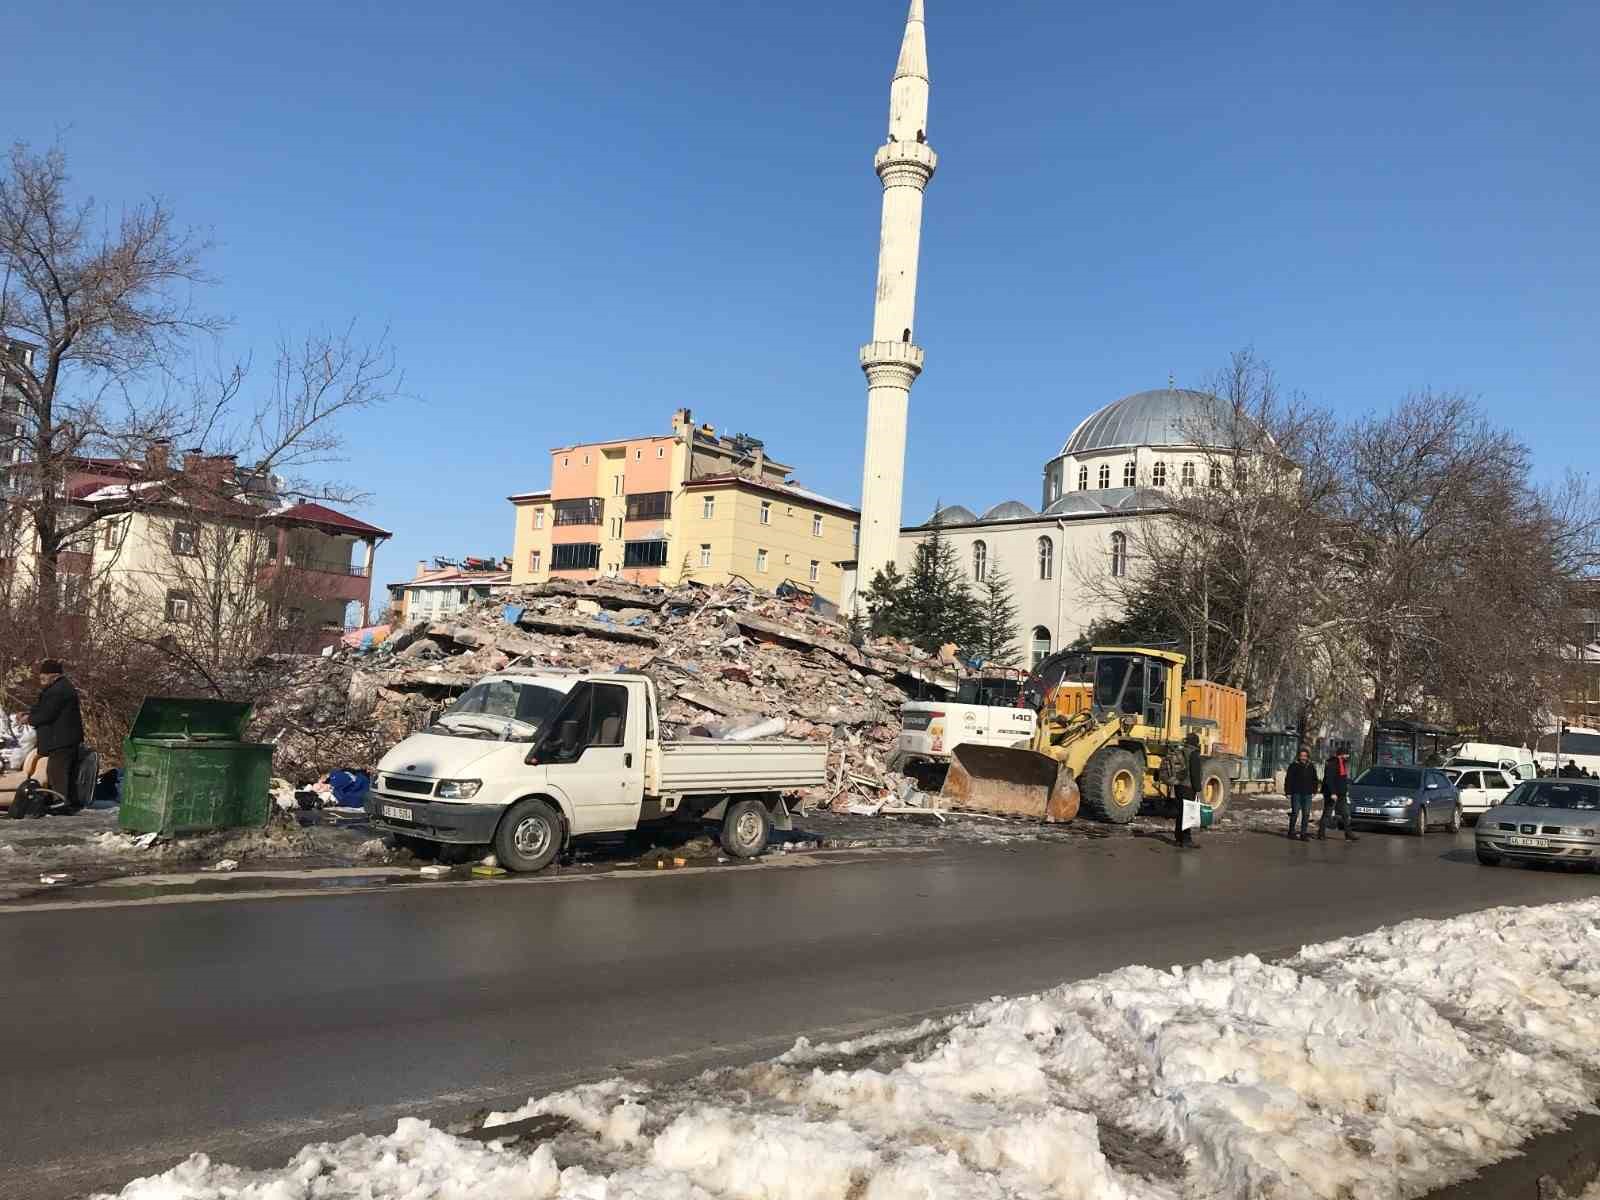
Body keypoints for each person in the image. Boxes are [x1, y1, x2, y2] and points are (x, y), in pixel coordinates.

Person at [20, 659, 84, 816]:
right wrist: (30, 713)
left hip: (62, 739)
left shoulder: (58, 690)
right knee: (59, 770)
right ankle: (65, 801)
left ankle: (61, 803)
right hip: (63, 739)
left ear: (54, 675)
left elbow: (47, 714)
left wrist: (29, 719)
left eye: (45, 674)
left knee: (57, 771)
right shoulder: (59, 688)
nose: (41, 677)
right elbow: (45, 708)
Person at [1319, 741, 1358, 841]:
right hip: (1332, 793)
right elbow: (1329, 779)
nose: (1348, 756)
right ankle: (1321, 833)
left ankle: (1348, 833)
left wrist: (1345, 790)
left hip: (1341, 793)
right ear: (1341, 755)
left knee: (1345, 814)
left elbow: (1342, 779)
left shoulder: (1343, 764)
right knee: (1327, 813)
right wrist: (1332, 793)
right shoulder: (1332, 764)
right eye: (1346, 754)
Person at [1173, 731, 1203, 850]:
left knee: (1180, 812)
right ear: (1195, 743)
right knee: (1188, 814)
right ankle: (1186, 840)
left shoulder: (1180, 751)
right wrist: (1198, 789)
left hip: (1178, 786)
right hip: (1188, 787)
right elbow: (1195, 774)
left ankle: (1178, 838)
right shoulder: (1194, 754)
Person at [1284, 747, 1319, 841]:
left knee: (1306, 814)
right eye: (1301, 756)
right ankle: (1291, 832)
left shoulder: (1311, 766)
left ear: (1307, 757)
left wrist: (1314, 790)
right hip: (1296, 793)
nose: (1303, 757)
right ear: (1298, 756)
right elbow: (1288, 779)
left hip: (1307, 793)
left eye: (1305, 756)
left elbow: (1315, 779)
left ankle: (1303, 834)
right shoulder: (1294, 765)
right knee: (1295, 812)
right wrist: (1288, 792)